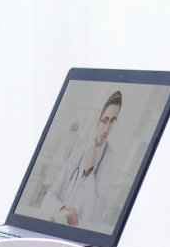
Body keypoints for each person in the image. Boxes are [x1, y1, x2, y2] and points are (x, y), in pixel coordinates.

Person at [40, 91, 122, 226]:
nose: (106, 129)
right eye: (105, 120)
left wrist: (89, 170)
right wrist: (63, 209)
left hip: (79, 229)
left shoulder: (109, 158)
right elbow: (46, 199)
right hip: (60, 222)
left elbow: (89, 214)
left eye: (112, 121)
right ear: (98, 123)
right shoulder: (79, 151)